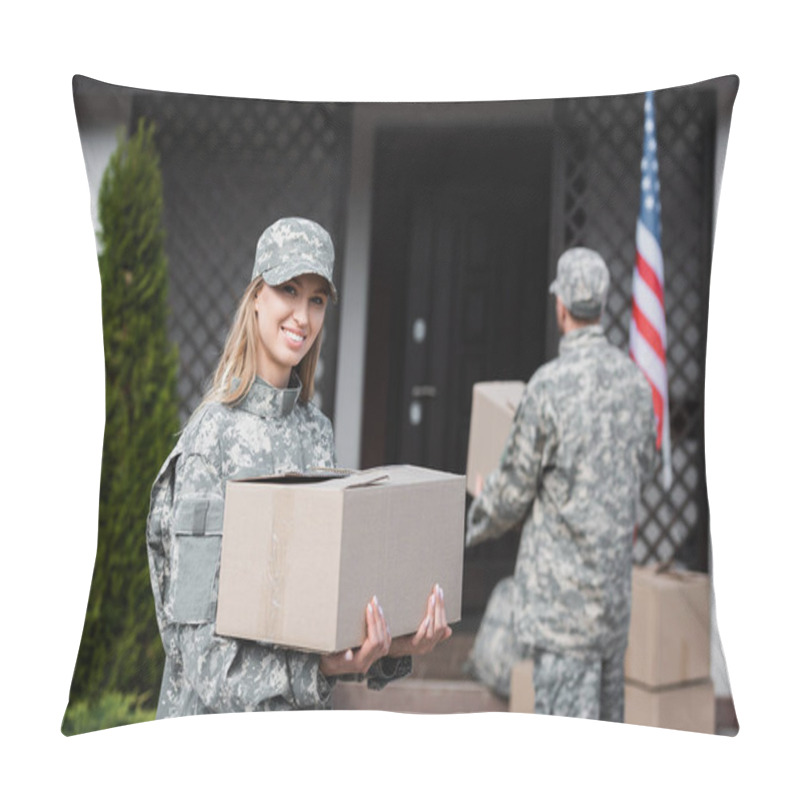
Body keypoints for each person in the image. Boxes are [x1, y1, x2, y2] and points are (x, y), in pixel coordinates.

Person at [146, 217, 452, 718]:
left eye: (316, 299)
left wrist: (395, 644)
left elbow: (319, 616)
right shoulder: (211, 441)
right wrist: (321, 670)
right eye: (288, 289)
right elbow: (198, 654)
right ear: (256, 296)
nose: (302, 315)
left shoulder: (316, 431)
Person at [465, 247, 657, 721]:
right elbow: (646, 467)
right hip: (612, 607)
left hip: (560, 613)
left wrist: (477, 514)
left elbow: (510, 494)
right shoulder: (635, 385)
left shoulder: (548, 387)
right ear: (603, 306)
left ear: (561, 307)